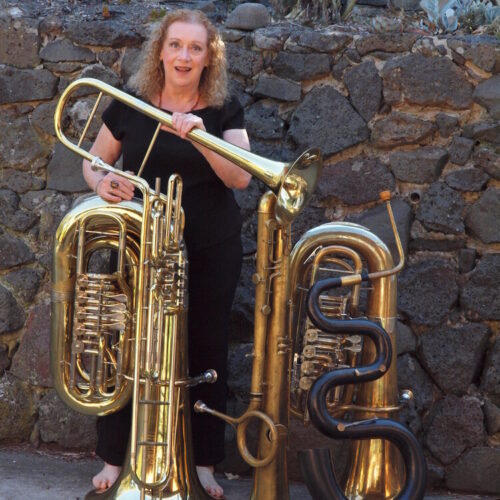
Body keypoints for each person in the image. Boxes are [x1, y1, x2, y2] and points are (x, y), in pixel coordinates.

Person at [82, 9, 251, 499]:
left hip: (208, 245)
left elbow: (240, 177)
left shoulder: (223, 110)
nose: (184, 55)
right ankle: (115, 458)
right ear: (160, 51)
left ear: (207, 59)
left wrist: (200, 138)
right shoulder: (131, 103)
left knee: (205, 347)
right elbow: (94, 163)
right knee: (127, 341)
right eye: (176, 45)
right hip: (140, 243)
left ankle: (202, 465)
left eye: (195, 48)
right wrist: (103, 182)